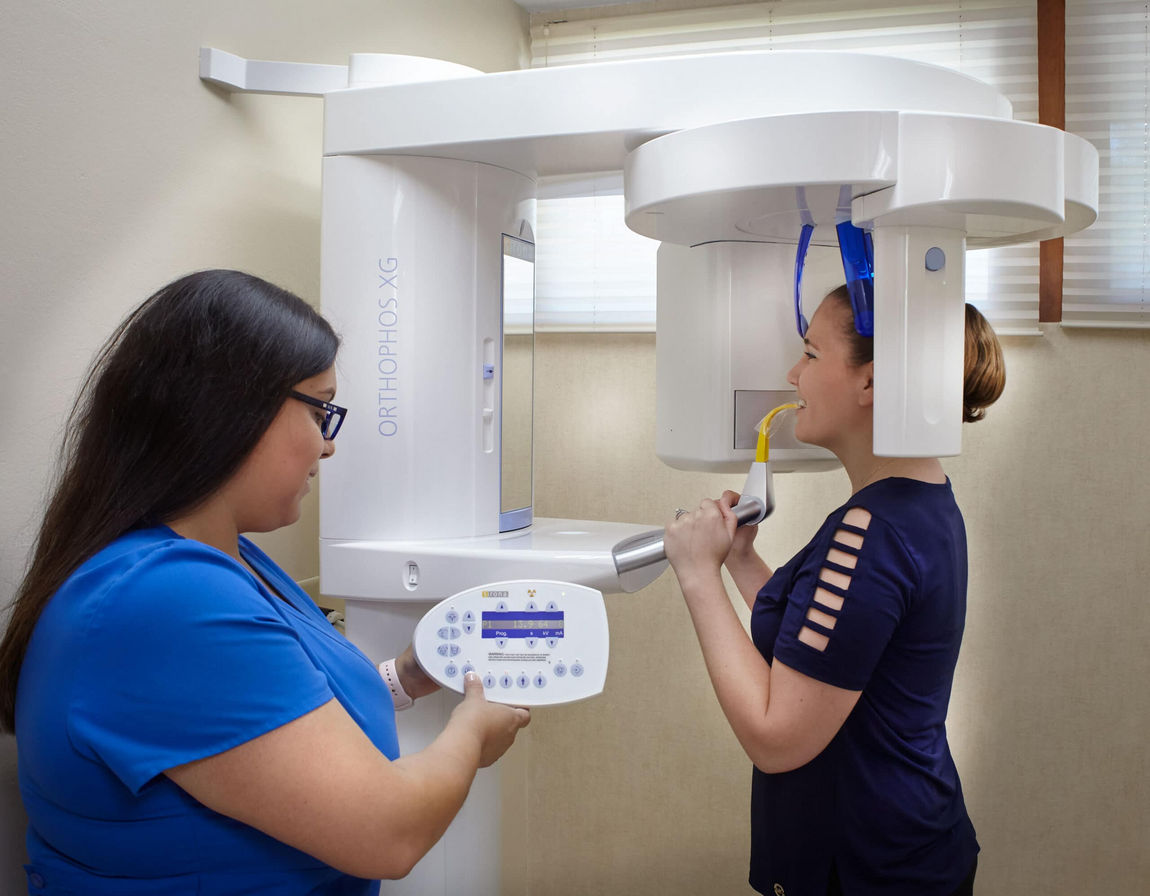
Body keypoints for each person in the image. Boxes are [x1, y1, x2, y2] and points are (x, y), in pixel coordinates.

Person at [0, 270, 530, 895]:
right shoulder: (166, 599)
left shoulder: (222, 558)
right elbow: (390, 833)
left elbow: (252, 720)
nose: (328, 448)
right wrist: (472, 732)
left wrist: (405, 678)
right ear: (229, 409)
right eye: (321, 410)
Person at [664, 285, 1005, 896]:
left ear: (869, 383)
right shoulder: (917, 503)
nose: (795, 374)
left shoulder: (870, 532)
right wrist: (741, 562)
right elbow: (830, 648)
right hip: (912, 847)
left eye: (812, 355)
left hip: (873, 869)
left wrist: (697, 576)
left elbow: (776, 740)